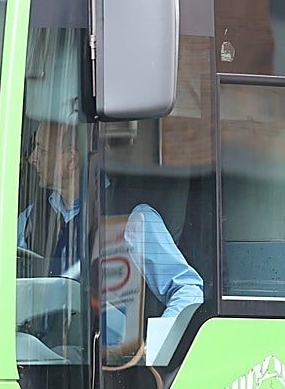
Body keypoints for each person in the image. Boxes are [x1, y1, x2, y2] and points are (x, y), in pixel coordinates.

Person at [20, 120, 204, 319]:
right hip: (33, 347)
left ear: (71, 160)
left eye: (42, 150)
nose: (32, 159)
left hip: (107, 348)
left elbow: (188, 291)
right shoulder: (29, 218)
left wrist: (159, 344)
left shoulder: (133, 219)